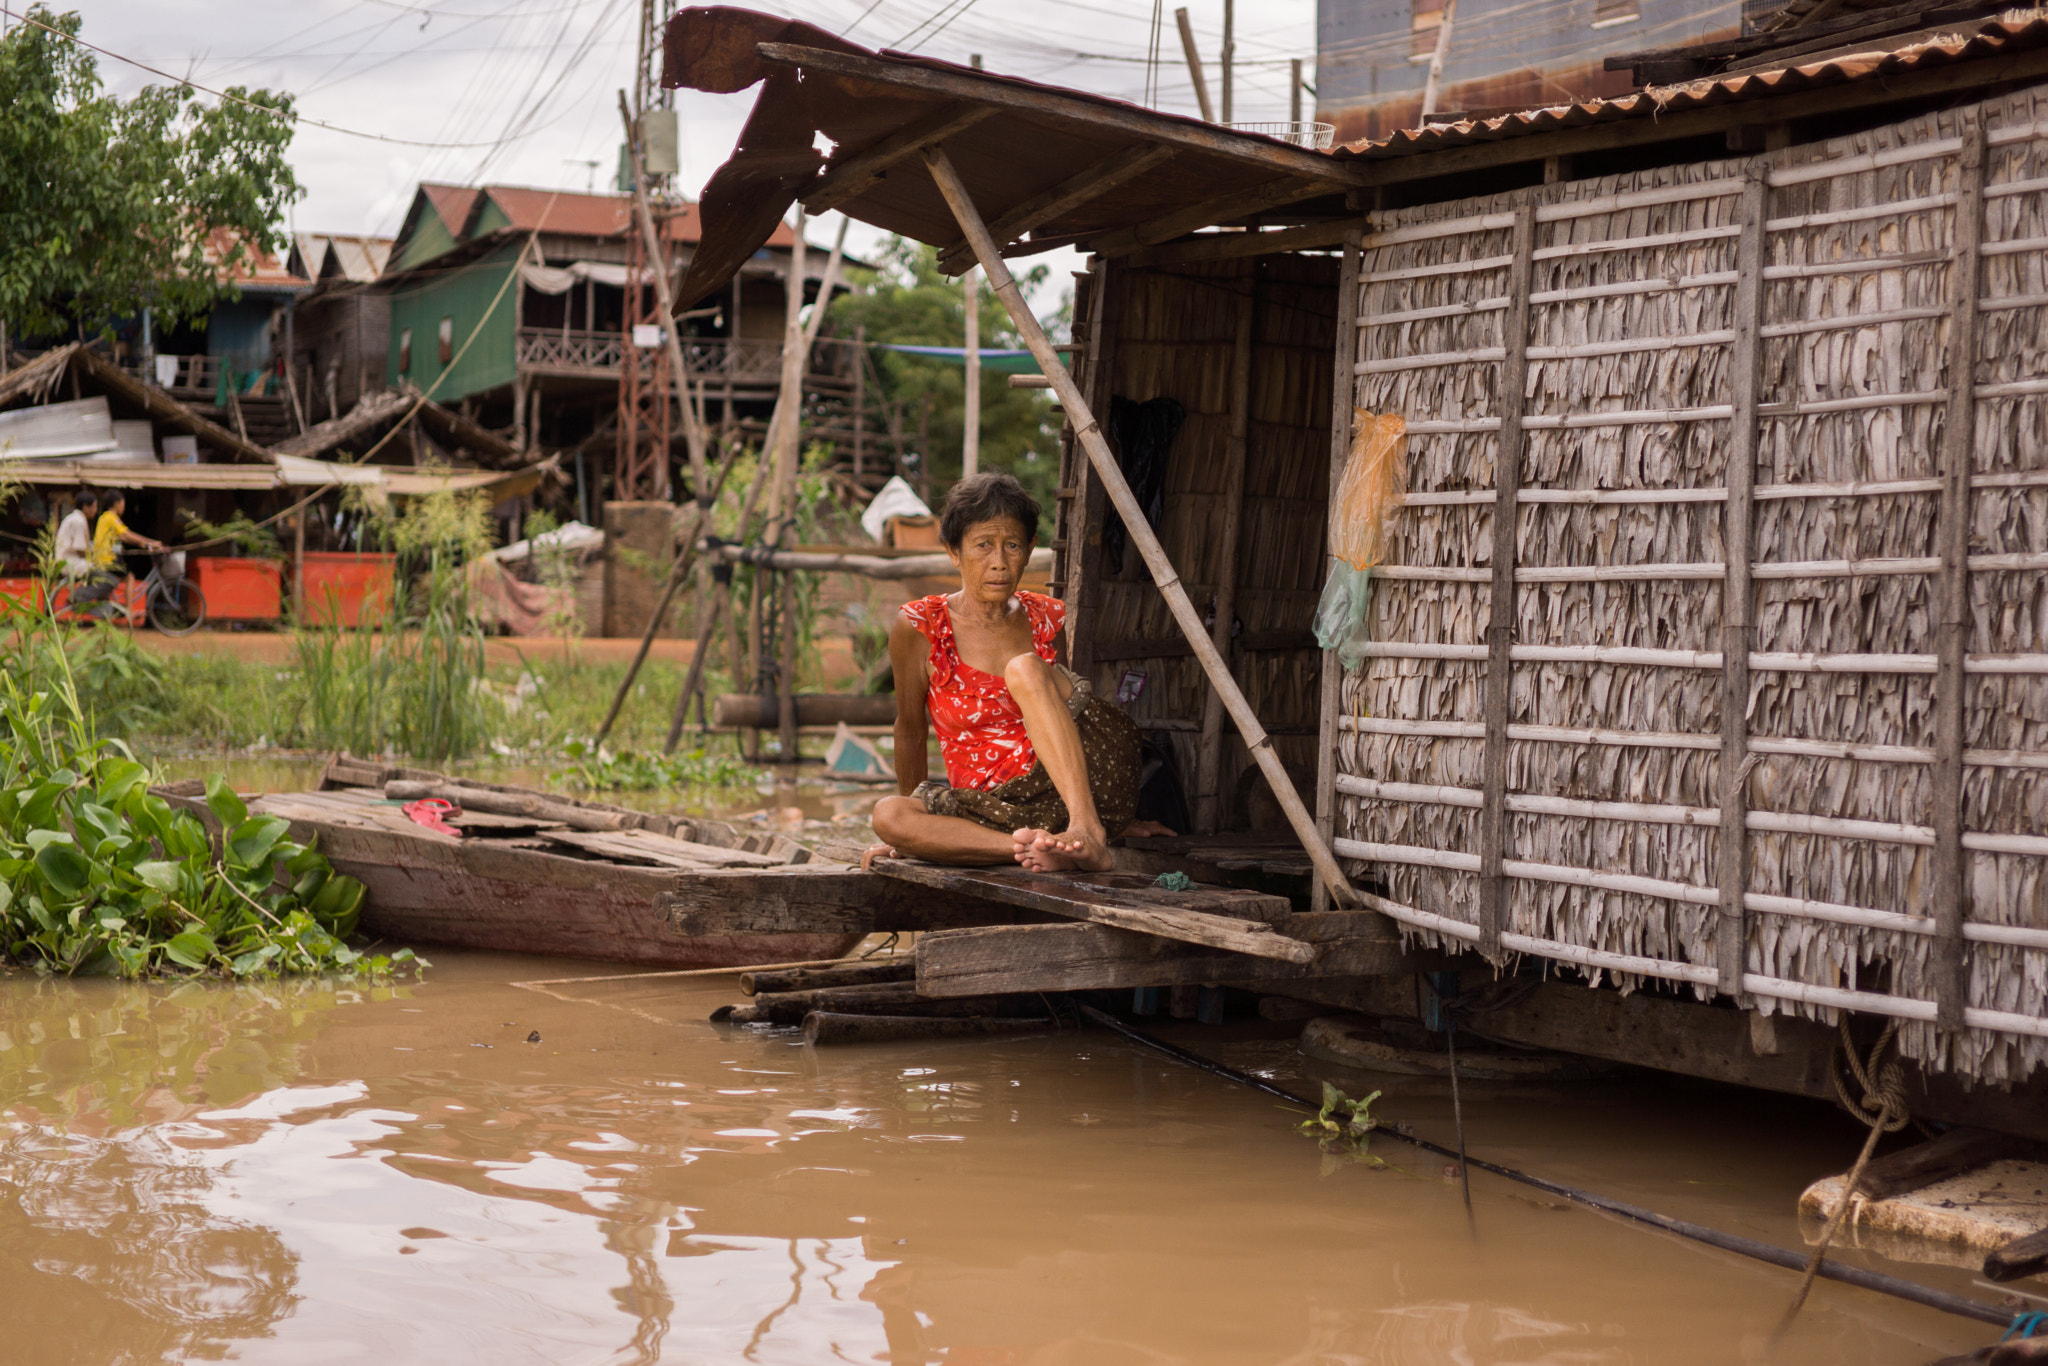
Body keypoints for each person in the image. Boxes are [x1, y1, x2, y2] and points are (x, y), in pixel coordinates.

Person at [862, 471, 1142, 874]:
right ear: (953, 551)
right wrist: (912, 838)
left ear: (1029, 550)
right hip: (989, 811)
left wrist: (1110, 808)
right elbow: (909, 729)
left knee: (1027, 669)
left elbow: (1071, 720)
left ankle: (1087, 831)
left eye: (1012, 545)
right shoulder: (921, 625)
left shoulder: (1045, 616)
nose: (998, 563)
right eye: (982, 546)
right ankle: (1028, 847)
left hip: (1061, 798)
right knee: (889, 815)